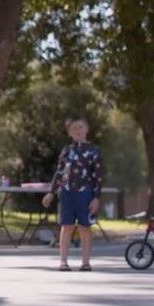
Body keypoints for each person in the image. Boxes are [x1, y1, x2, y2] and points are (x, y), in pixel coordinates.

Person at [42, 114, 102, 272]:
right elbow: (59, 172)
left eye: (81, 127)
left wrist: (96, 198)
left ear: (87, 129)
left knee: (85, 227)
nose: (78, 131)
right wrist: (51, 192)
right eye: (74, 129)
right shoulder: (67, 151)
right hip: (67, 193)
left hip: (86, 194)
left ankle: (86, 262)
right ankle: (63, 261)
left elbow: (98, 176)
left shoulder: (94, 151)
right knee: (66, 226)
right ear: (69, 133)